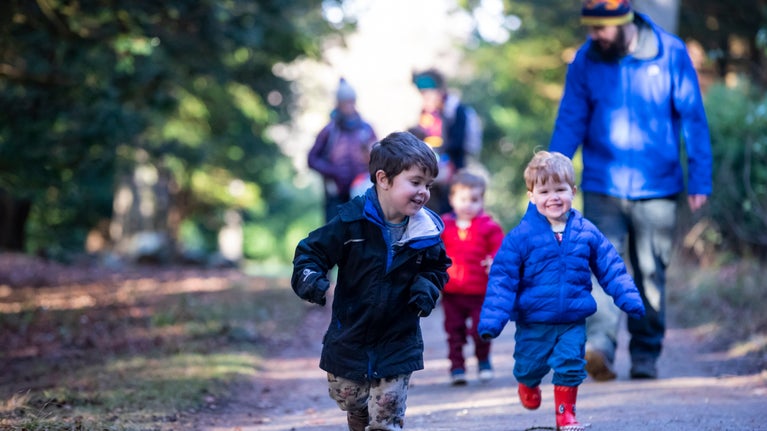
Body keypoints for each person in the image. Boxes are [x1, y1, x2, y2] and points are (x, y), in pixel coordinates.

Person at [549, 0, 713, 381]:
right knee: (602, 266)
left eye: (601, 29)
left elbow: (693, 117)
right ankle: (601, 347)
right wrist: (552, 175)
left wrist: (700, 177)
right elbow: (570, 118)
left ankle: (645, 353)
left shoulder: (670, 52)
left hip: (659, 185)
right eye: (589, 28)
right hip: (603, 183)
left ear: (624, 23)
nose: (594, 36)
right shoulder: (585, 60)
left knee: (650, 272)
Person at [291, 131, 451, 431]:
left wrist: (426, 287)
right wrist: (311, 278)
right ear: (383, 179)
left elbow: (438, 268)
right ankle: (358, 414)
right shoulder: (351, 223)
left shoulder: (426, 232)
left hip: (398, 336)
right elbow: (311, 252)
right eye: (415, 182)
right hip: (351, 331)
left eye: (428, 185)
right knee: (348, 396)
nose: (424, 192)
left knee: (387, 416)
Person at [478, 151, 645, 431]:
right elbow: (502, 279)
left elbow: (611, 266)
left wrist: (627, 297)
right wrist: (492, 320)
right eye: (544, 191)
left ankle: (565, 416)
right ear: (531, 196)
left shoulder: (585, 232)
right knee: (529, 366)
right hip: (534, 321)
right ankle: (527, 383)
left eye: (560, 189)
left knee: (570, 365)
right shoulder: (521, 237)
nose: (553, 197)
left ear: (573, 191)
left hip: (572, 318)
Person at [439, 170, 504, 385]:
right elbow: (435, 250)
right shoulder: (444, 226)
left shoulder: (489, 227)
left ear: (482, 201)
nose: (468, 205)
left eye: (474, 200)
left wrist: (494, 260)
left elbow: (500, 249)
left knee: (480, 328)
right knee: (454, 330)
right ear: (452, 200)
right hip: (452, 292)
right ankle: (457, 366)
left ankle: (483, 359)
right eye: (463, 199)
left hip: (480, 292)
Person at [308, 77, 378, 222]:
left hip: (362, 193)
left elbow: (379, 155)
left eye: (351, 101)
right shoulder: (330, 131)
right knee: (334, 237)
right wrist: (333, 172)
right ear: (338, 104)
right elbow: (312, 159)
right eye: (345, 102)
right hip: (336, 195)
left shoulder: (366, 129)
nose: (348, 106)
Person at [411, 68, 472, 215]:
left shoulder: (456, 110)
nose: (426, 98)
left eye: (428, 93)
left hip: (452, 172)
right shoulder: (426, 112)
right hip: (430, 173)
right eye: (422, 94)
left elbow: (459, 143)